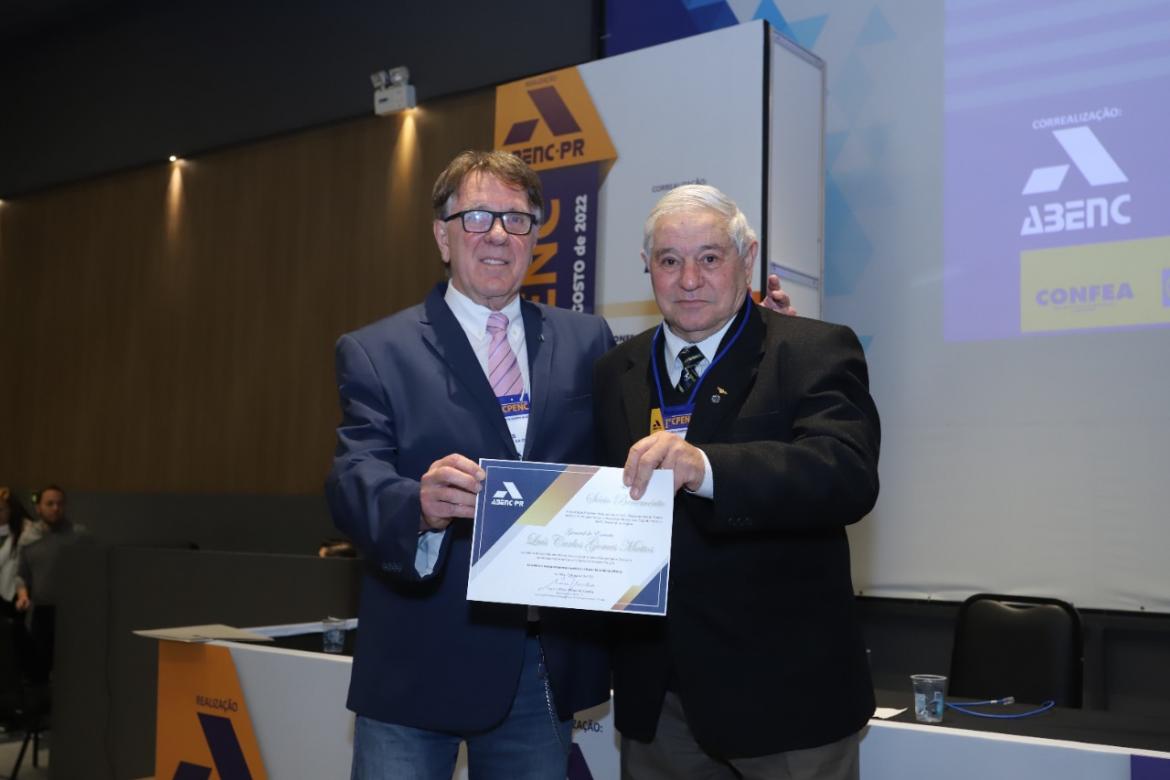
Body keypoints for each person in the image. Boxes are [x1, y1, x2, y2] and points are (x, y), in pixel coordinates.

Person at [326, 150, 796, 780]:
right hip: (420, 661)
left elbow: (661, 431)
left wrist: (758, 342)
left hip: (542, 669)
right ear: (442, 235)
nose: (498, 234)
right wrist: (417, 506)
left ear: (535, 239)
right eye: (477, 217)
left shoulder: (587, 341)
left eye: (517, 219)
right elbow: (351, 477)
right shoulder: (376, 350)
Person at [593, 184, 880, 780]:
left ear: (746, 260)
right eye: (669, 260)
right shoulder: (615, 370)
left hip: (787, 702)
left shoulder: (812, 349)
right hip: (659, 701)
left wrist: (707, 468)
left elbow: (846, 473)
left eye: (709, 257)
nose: (688, 279)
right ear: (647, 267)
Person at [14, 484, 85, 683]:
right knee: (39, 666)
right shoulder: (29, 538)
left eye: (60, 504)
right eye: (50, 503)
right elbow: (21, 575)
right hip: (42, 611)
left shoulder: (78, 536)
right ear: (39, 507)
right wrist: (23, 596)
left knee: (70, 666)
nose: (55, 508)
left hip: (72, 611)